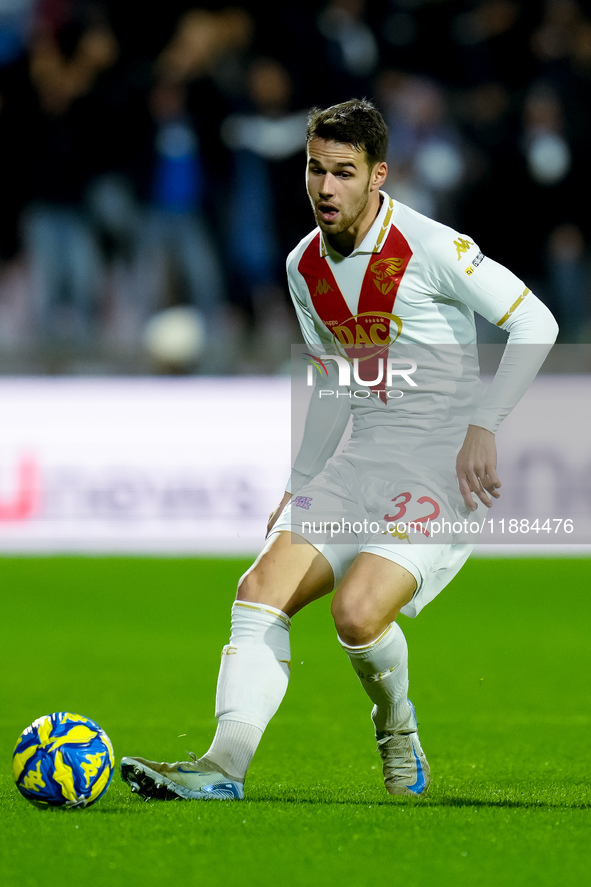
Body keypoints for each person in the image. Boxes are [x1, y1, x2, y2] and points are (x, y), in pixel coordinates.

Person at [120, 99, 558, 801]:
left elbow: (536, 322)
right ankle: (222, 766)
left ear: (377, 175)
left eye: (343, 173)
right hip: (361, 460)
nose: (325, 187)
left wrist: (485, 422)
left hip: (438, 470)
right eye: (315, 169)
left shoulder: (430, 247)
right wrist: (298, 483)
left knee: (355, 614)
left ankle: (396, 730)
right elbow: (332, 379)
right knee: (258, 589)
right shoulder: (302, 264)